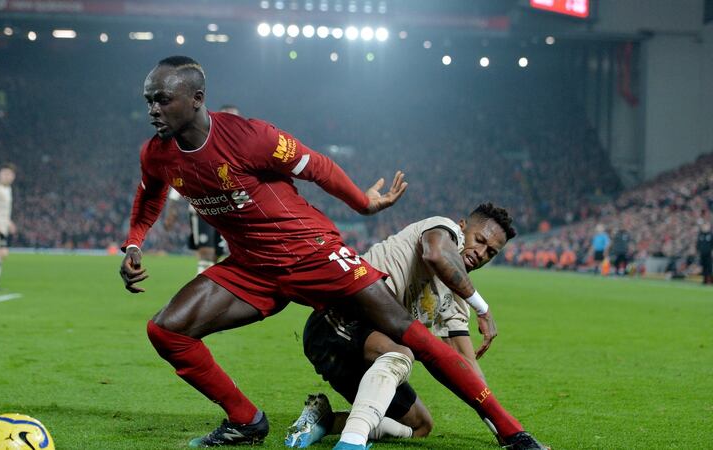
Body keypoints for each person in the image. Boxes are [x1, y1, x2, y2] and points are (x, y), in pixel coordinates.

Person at [119, 56, 545, 450]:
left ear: (196, 99)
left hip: (313, 252)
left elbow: (316, 165)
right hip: (252, 267)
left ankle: (511, 432)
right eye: (149, 101)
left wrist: (363, 203)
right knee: (167, 330)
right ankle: (247, 421)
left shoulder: (250, 137)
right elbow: (149, 198)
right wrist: (135, 241)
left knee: (409, 334)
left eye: (162, 100)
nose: (153, 110)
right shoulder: (156, 155)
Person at [285, 204, 520, 448]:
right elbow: (436, 254)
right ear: (462, 227)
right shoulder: (442, 227)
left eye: (490, 252)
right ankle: (351, 442)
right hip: (335, 322)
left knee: (419, 426)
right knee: (400, 352)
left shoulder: (457, 298)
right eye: (479, 240)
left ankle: (325, 421)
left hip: (373, 356)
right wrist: (482, 307)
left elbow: (467, 366)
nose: (481, 252)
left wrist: (500, 426)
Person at [164, 104, 240, 274]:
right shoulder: (200, 142)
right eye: (226, 116)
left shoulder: (241, 147)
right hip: (204, 207)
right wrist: (172, 206)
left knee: (220, 255)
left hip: (230, 211)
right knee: (206, 253)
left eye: (234, 117)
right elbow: (183, 174)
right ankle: (203, 294)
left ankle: (213, 292)